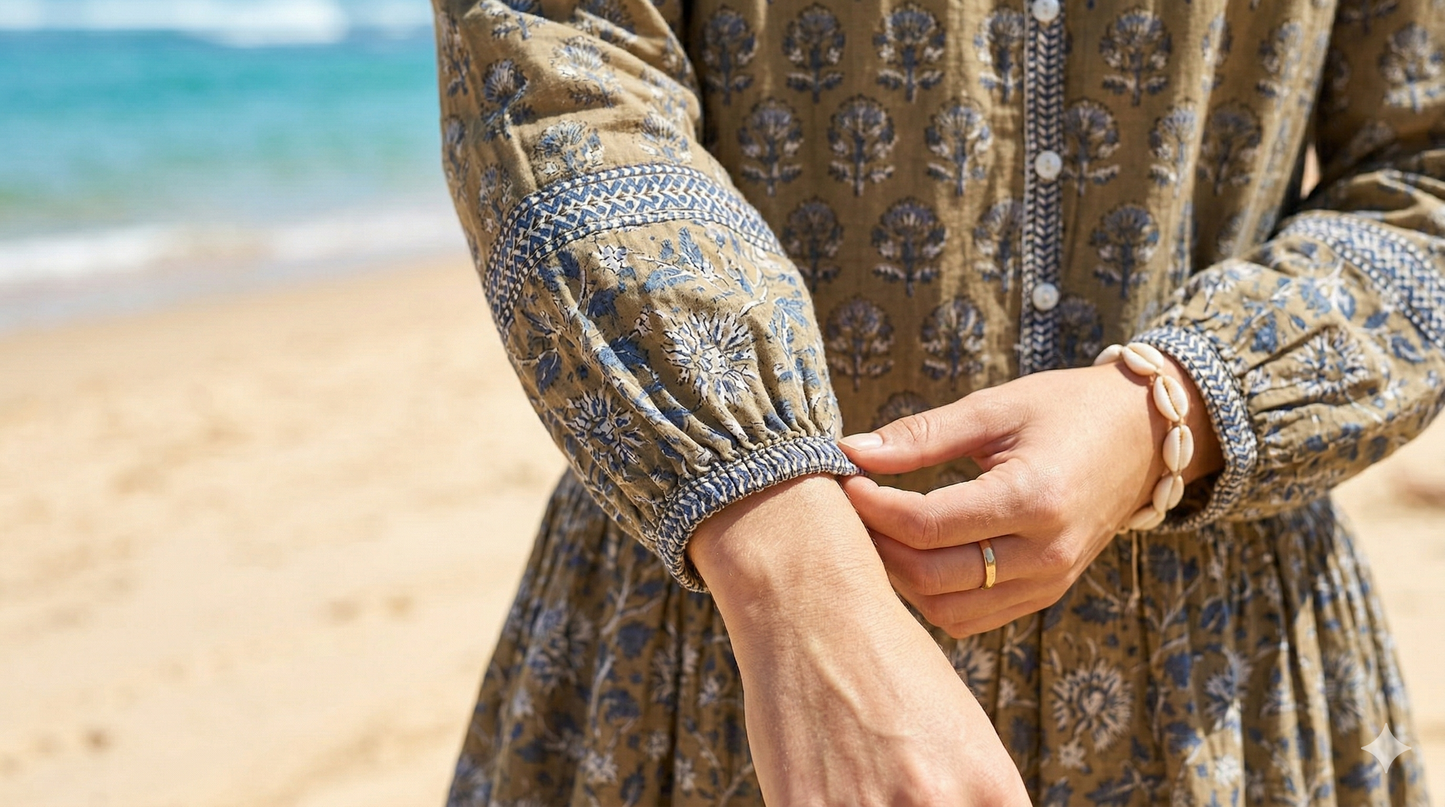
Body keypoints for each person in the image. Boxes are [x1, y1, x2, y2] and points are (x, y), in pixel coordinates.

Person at [432, 0, 1441, 801]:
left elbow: (1422, 171)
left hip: (1212, 671)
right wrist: (790, 573)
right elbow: (555, 78)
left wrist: (1165, 414)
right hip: (717, 643)